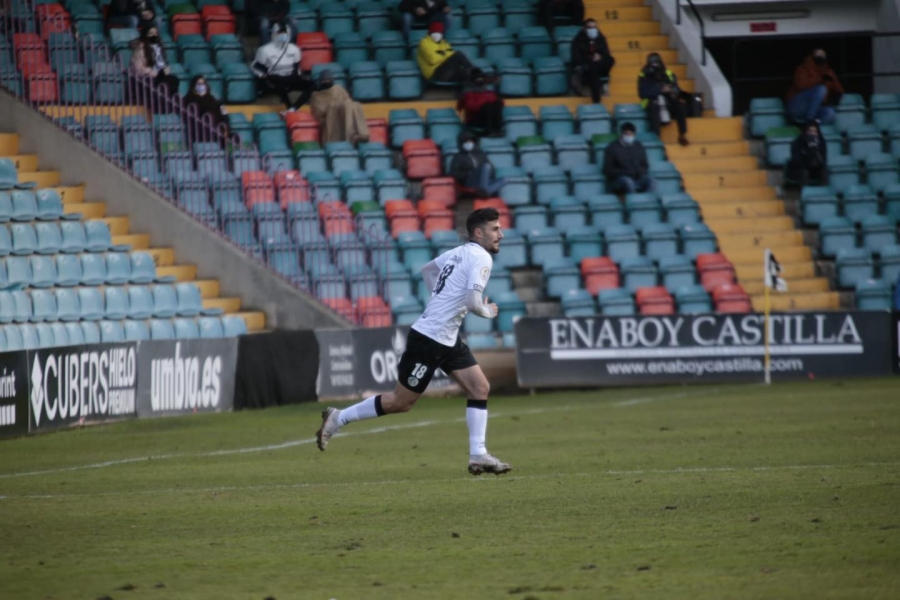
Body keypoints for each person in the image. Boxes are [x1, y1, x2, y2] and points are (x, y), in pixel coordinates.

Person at [316, 208, 512, 477]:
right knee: (400, 402)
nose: (501, 234)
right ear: (479, 233)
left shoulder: (459, 252)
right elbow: (472, 302)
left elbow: (428, 270)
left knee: (479, 387)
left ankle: (478, 454)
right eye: (495, 229)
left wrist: (440, 300)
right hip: (430, 340)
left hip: (446, 337)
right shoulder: (481, 257)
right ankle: (338, 418)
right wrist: (488, 312)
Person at [252, 22, 314, 111]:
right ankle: (289, 106)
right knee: (280, 83)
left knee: (312, 84)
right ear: (274, 34)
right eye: (280, 33)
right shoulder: (264, 50)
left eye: (285, 33)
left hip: (290, 75)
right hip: (274, 76)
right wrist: (263, 75)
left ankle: (294, 108)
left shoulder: (294, 49)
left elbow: (297, 66)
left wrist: (297, 75)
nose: (283, 35)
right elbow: (255, 66)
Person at [638, 52, 689, 146]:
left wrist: (671, 90)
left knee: (680, 105)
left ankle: (682, 134)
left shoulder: (669, 74)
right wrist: (660, 90)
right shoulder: (643, 76)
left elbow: (677, 89)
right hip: (651, 102)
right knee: (654, 106)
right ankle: (656, 138)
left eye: (657, 63)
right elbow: (642, 93)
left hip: (668, 101)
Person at [308, 71, 370, 144]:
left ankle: (357, 135)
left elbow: (348, 101)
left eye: (328, 79)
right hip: (329, 123)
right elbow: (318, 114)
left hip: (344, 116)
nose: (326, 82)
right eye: (324, 80)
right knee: (336, 106)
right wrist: (333, 108)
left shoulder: (338, 89)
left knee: (354, 105)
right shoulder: (316, 96)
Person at [786, 49, 843, 125]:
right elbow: (800, 85)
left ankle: (810, 129)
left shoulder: (828, 72)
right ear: (812, 56)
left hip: (815, 108)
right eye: (818, 55)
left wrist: (833, 98)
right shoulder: (802, 69)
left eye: (822, 55)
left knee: (830, 112)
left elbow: (839, 90)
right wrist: (820, 79)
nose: (820, 57)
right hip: (797, 106)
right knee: (821, 89)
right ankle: (809, 118)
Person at [417, 21, 477, 86]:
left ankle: (476, 88)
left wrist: (442, 54)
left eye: (439, 32)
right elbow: (432, 60)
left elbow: (451, 53)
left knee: (465, 73)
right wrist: (444, 55)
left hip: (447, 71)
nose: (438, 34)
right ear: (430, 33)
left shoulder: (443, 42)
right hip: (434, 74)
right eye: (435, 32)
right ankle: (476, 72)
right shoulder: (424, 43)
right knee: (458, 55)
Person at [603, 122, 656, 194]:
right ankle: (634, 202)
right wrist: (625, 172)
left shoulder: (639, 146)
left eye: (631, 134)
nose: (628, 136)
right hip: (619, 179)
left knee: (651, 180)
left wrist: (639, 171)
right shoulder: (612, 148)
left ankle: (647, 201)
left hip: (637, 177)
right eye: (626, 134)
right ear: (621, 134)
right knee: (628, 182)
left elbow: (645, 165)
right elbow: (607, 170)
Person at [129, 25, 179, 101]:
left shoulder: (159, 47)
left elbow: (162, 64)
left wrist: (165, 70)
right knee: (157, 83)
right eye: (151, 33)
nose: (154, 35)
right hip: (145, 77)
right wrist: (156, 73)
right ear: (146, 35)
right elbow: (138, 69)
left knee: (174, 80)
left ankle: (170, 104)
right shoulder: (140, 49)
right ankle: (160, 106)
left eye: (155, 33)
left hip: (159, 75)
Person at [570, 18, 615, 103]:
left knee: (611, 60)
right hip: (586, 66)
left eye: (594, 27)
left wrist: (600, 57)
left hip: (599, 63)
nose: (592, 30)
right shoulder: (577, 40)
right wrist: (590, 58)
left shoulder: (600, 38)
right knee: (593, 68)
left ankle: (604, 78)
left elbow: (606, 53)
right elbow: (576, 58)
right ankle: (596, 100)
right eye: (590, 27)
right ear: (584, 29)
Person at [449, 133, 507, 197]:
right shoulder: (458, 157)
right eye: (466, 141)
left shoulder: (481, 154)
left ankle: (485, 191)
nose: (469, 143)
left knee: (504, 180)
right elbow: (453, 173)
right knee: (485, 167)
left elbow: (492, 169)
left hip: (485, 180)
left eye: (471, 141)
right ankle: (485, 190)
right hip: (469, 181)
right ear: (461, 143)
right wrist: (468, 173)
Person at [183, 75, 230, 142]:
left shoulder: (212, 99)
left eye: (203, 83)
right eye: (199, 84)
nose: (201, 86)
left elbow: (222, 113)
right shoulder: (189, 99)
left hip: (217, 129)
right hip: (200, 130)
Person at [456, 69, 504, 136]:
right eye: (478, 78)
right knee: (488, 106)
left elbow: (501, 104)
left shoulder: (488, 92)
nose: (480, 80)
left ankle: (498, 130)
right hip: (473, 120)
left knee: (496, 105)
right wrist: (485, 102)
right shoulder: (467, 92)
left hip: (487, 118)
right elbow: (471, 107)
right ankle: (489, 131)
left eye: (481, 78)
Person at [786, 121, 828, 187]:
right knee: (804, 172)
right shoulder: (797, 143)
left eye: (814, 131)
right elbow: (796, 161)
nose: (812, 133)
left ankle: (824, 192)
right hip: (799, 169)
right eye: (810, 131)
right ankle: (805, 193)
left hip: (815, 169)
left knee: (824, 171)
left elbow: (823, 160)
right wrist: (808, 154)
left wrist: (815, 151)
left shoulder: (821, 143)